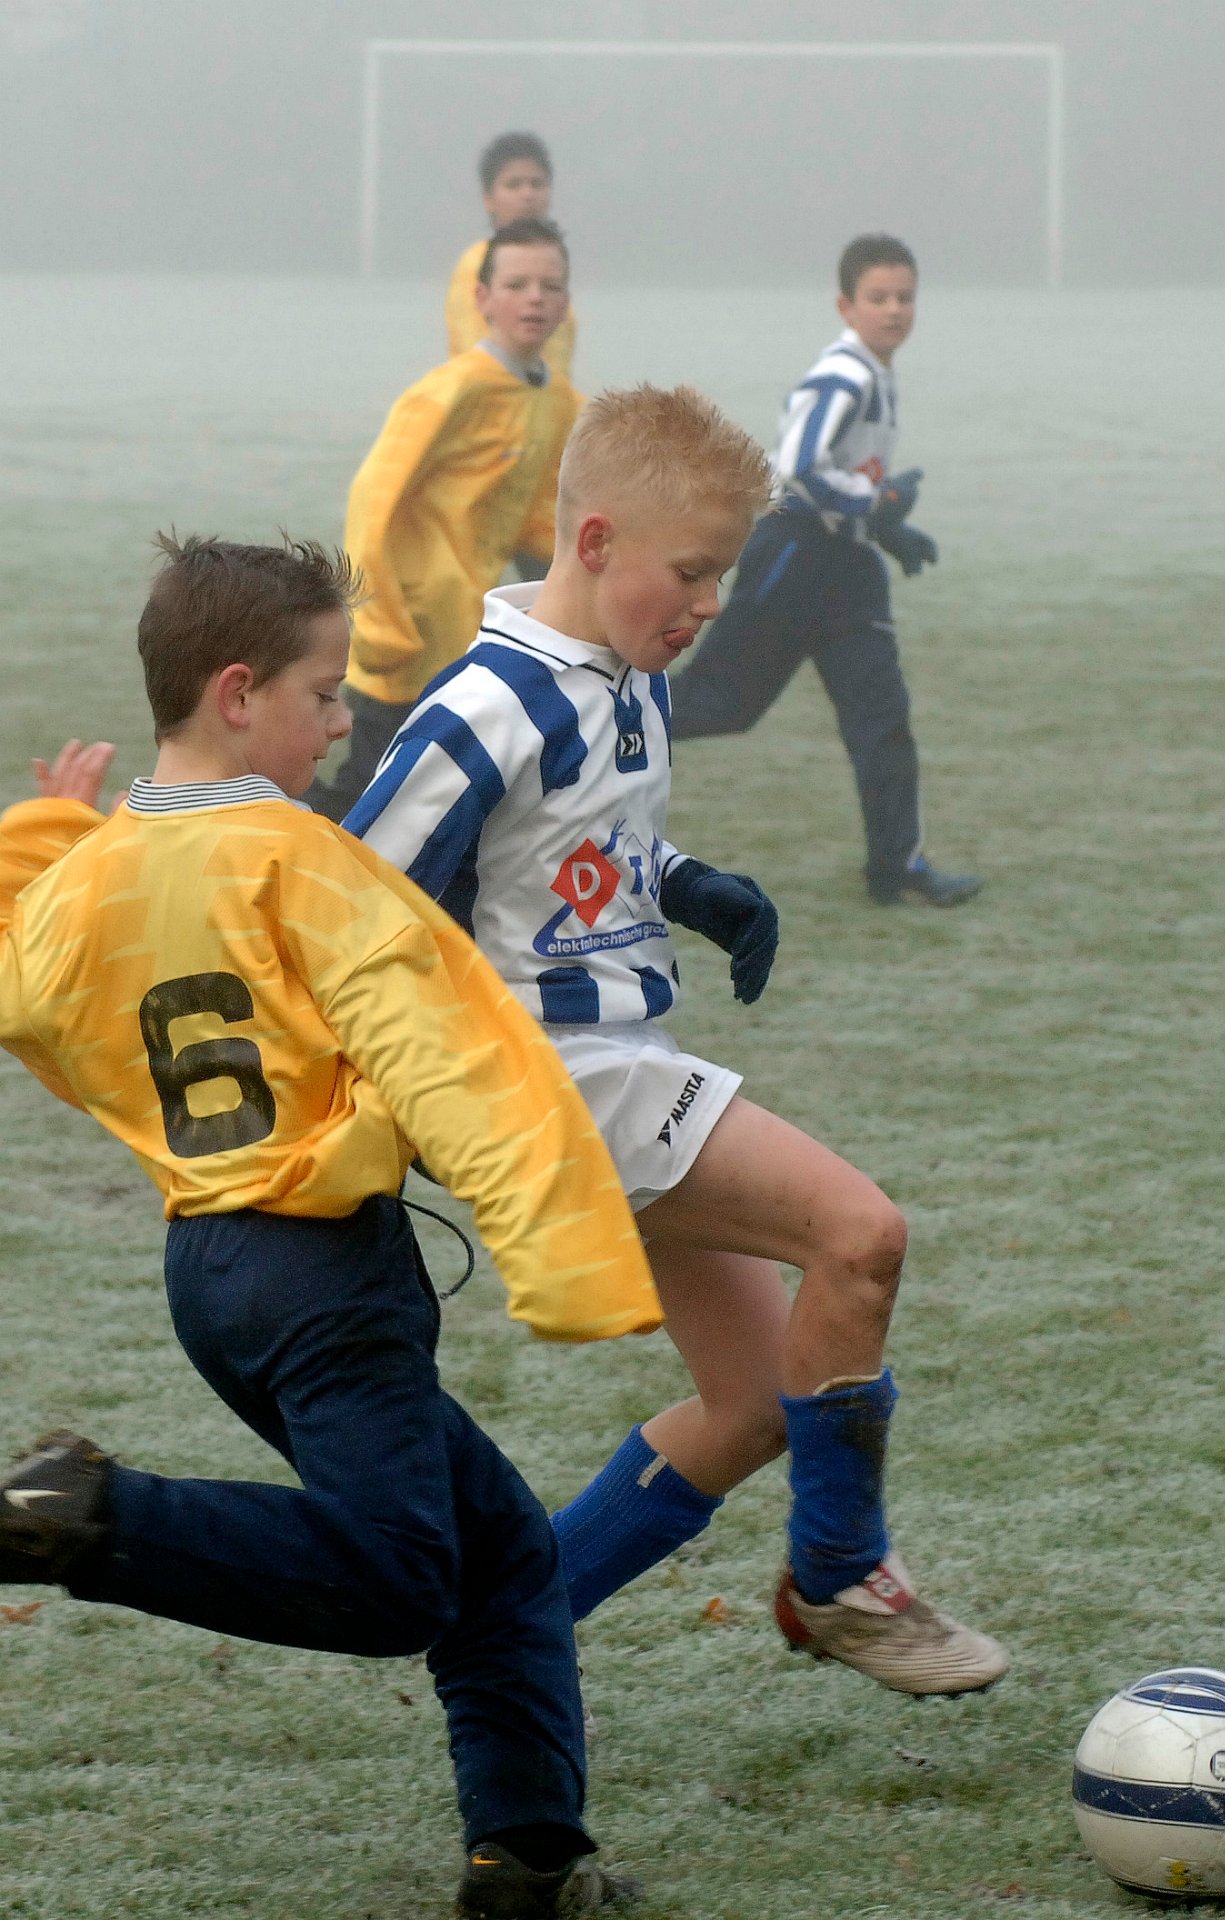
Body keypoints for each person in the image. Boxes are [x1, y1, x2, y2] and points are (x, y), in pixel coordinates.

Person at [0, 534, 656, 1919]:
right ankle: (87, 1518)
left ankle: (529, 1856)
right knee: (398, 1579)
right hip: (324, 1277)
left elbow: (26, 996)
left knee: (499, 1554)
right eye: (324, 692)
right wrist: (567, 1253)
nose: (345, 720)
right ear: (237, 694)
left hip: (210, 1274)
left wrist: (48, 839)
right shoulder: (301, 859)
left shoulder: (91, 881)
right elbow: (450, 1054)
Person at [344, 386, 1009, 1698]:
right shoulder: (483, 706)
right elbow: (351, 901)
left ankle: (506, 1632)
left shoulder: (629, 675)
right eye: (692, 572)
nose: (709, 606)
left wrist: (688, 884)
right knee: (860, 1237)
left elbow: (585, 845)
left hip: (620, 1068)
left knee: (754, 1404)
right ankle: (840, 1577)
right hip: (555, 1083)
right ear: (594, 542)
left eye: (724, 577)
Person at [669, 234, 982, 908]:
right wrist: (877, 502)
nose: (893, 309)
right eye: (878, 297)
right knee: (719, 705)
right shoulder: (844, 374)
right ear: (846, 305)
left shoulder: (877, 373)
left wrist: (887, 532)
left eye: (904, 297)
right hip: (795, 558)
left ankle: (897, 867)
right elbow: (798, 467)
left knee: (882, 720)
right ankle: (586, 725)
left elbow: (841, 474)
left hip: (848, 570)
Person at [309, 216, 579, 823]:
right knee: (368, 798)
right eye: (516, 284)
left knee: (443, 797)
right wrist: (377, 617)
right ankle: (251, 808)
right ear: (481, 298)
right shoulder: (449, 392)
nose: (535, 298)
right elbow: (372, 500)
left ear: (567, 303)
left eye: (550, 285)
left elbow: (537, 517)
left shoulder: (555, 399)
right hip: (410, 629)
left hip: (470, 632)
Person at [444, 131, 576, 379]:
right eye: (513, 185)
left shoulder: (552, 265)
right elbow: (475, 353)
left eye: (537, 184)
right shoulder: (478, 264)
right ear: (488, 199)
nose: (527, 194)